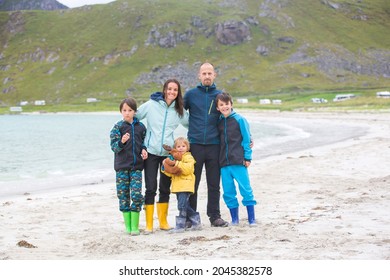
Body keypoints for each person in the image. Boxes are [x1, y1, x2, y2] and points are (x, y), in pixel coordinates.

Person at [136, 78, 188, 234]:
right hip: (151, 152)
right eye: (170, 89)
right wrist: (139, 141)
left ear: (178, 93)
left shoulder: (179, 110)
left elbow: (192, 124)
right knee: (150, 188)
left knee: (164, 188)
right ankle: (149, 224)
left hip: (167, 155)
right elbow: (135, 117)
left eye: (175, 90)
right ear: (164, 89)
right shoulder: (151, 105)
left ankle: (164, 222)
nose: (172, 92)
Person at [183, 62, 229, 227]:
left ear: (214, 75)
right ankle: (190, 217)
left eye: (210, 73)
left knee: (214, 183)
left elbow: (230, 116)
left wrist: (246, 136)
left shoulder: (220, 96)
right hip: (195, 145)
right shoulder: (191, 95)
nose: (207, 76)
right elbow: (176, 110)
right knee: (192, 183)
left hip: (214, 145)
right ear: (199, 75)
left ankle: (214, 216)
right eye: (204, 73)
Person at [215, 92, 257, 226]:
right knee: (228, 192)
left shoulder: (240, 119)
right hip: (224, 163)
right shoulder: (219, 122)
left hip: (239, 161)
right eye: (221, 105)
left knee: (245, 189)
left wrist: (247, 157)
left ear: (231, 104)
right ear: (217, 108)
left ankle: (251, 219)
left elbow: (246, 139)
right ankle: (235, 220)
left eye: (226, 104)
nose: (224, 107)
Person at [110, 97, 148, 235]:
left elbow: (143, 143)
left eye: (130, 110)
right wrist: (121, 141)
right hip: (121, 168)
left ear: (135, 111)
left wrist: (144, 150)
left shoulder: (141, 127)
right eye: (124, 110)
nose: (127, 113)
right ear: (121, 111)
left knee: (137, 195)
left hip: (136, 167)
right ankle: (128, 226)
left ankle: (135, 226)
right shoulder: (117, 127)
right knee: (123, 195)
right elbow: (114, 148)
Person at [161, 137, 201, 233]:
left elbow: (187, 170)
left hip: (186, 184)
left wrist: (176, 163)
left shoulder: (189, 157)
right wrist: (164, 167)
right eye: (178, 146)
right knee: (184, 205)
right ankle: (196, 221)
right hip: (178, 186)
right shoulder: (174, 157)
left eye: (183, 146)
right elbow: (171, 173)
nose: (181, 148)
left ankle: (180, 225)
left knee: (182, 206)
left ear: (187, 147)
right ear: (175, 148)